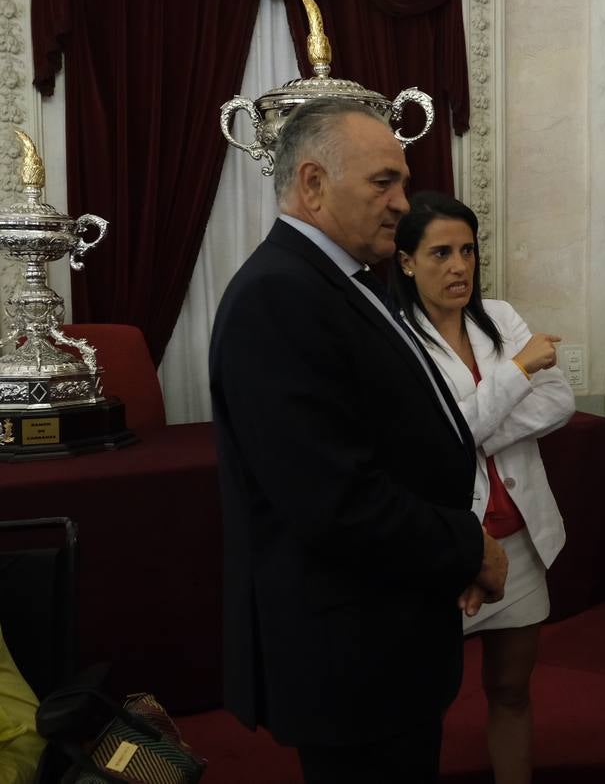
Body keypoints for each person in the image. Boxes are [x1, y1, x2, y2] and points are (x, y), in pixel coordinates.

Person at [209, 98, 508, 784]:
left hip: (387, 629)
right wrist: (466, 547)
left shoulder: (338, 279)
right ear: (313, 183)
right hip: (349, 648)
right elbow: (334, 500)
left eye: (402, 182)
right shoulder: (279, 295)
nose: (404, 202)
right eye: (384, 182)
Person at [391, 192, 575, 784]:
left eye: (468, 250)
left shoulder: (500, 315)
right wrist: (517, 373)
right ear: (406, 262)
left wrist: (467, 431)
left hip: (518, 537)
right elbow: (424, 441)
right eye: (440, 252)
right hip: (444, 547)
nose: (459, 266)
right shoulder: (395, 336)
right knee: (421, 704)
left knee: (512, 690)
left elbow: (560, 402)